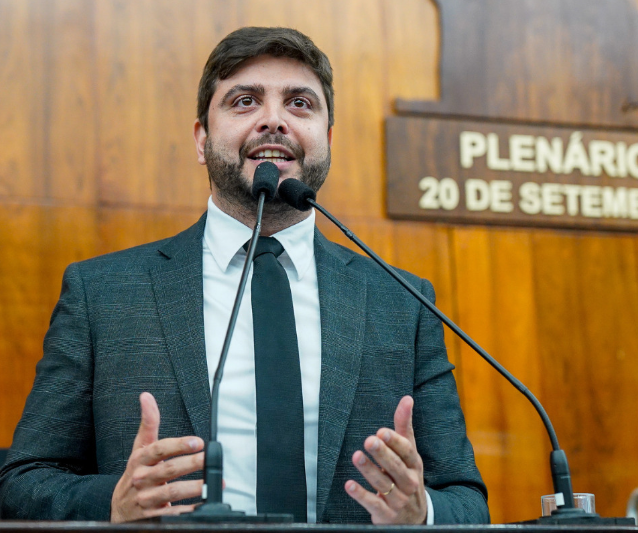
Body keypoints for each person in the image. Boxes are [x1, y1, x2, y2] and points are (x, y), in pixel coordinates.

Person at [0, 27, 488, 524]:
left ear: (328, 140)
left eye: (299, 103)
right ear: (201, 139)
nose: (273, 121)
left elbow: (468, 502)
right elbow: (24, 480)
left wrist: (420, 509)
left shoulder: (401, 303)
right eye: (244, 101)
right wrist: (115, 503)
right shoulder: (102, 295)